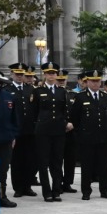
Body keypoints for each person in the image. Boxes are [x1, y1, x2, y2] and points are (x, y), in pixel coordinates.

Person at [28, 63, 73, 202]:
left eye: (54, 73)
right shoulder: (38, 91)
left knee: (57, 162)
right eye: (49, 73)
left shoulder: (62, 91)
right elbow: (33, 112)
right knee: (43, 162)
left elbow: (65, 110)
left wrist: (66, 123)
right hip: (43, 130)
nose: (52, 75)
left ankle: (56, 190)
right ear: (45, 74)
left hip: (58, 130)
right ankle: (47, 192)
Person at [71, 73, 107, 199]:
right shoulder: (80, 97)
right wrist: (80, 133)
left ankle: (104, 190)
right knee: (87, 165)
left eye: (98, 81)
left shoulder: (104, 97)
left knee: (103, 165)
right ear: (87, 82)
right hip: (86, 138)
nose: (96, 83)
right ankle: (86, 191)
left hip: (103, 137)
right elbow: (75, 118)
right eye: (93, 81)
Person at [0, 71, 21, 209]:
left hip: (6, 140)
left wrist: (13, 136)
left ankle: (2, 196)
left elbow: (15, 119)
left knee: (3, 170)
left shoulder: (8, 96)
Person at [9, 64, 39, 198]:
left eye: (22, 74)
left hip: (30, 130)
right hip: (16, 131)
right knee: (16, 161)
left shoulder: (31, 89)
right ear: (12, 74)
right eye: (17, 74)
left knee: (30, 159)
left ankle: (27, 186)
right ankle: (18, 187)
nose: (20, 76)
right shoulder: (8, 90)